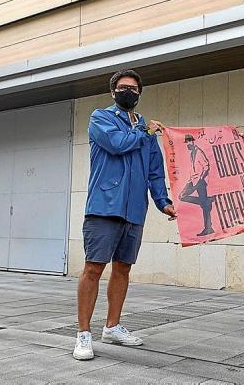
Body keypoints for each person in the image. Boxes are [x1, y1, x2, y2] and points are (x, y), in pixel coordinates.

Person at [73, 69, 177, 360]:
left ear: (139, 93)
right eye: (122, 88)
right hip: (105, 206)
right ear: (113, 93)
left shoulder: (146, 131)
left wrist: (163, 202)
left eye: (132, 88)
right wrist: (145, 131)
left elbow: (155, 172)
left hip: (134, 209)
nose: (127, 92)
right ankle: (83, 334)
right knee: (93, 268)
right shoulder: (101, 118)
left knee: (123, 268)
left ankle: (112, 326)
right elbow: (117, 144)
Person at [178, 133, 215, 236]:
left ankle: (208, 228)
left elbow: (206, 166)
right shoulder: (191, 153)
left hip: (200, 182)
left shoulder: (199, 152)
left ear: (193, 141)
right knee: (182, 196)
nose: (188, 144)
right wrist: (191, 179)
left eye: (189, 141)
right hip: (193, 180)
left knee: (205, 207)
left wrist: (201, 178)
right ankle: (206, 201)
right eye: (187, 142)